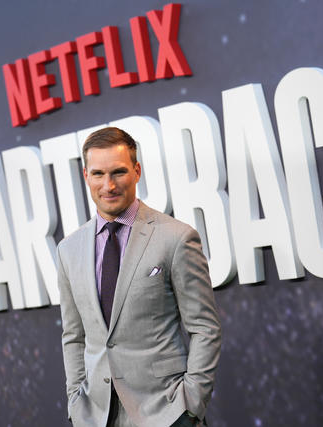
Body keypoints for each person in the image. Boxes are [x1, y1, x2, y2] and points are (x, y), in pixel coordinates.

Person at [56, 127, 222, 427]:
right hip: (96, 417)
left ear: (137, 171)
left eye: (118, 172)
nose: (108, 185)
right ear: (85, 176)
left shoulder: (176, 238)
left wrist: (190, 404)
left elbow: (205, 328)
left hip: (166, 413)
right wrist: (76, 402)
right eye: (98, 174)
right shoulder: (68, 250)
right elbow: (73, 336)